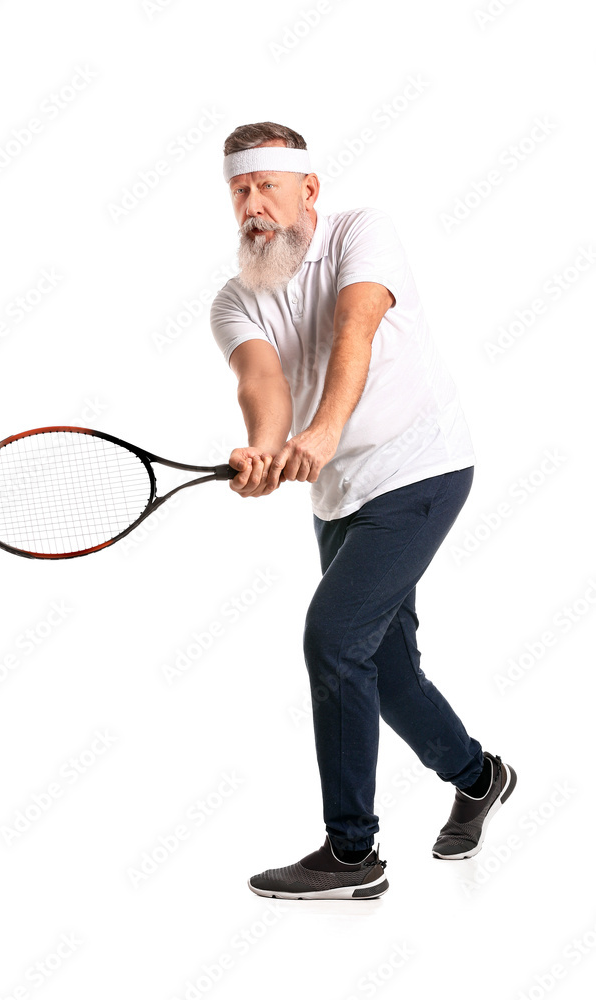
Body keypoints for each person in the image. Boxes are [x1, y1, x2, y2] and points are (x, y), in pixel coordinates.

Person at [210, 121, 516, 900]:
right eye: (238, 189)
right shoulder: (234, 300)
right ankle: (478, 777)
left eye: (265, 186)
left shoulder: (362, 233)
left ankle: (351, 856)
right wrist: (263, 446)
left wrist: (321, 430)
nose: (252, 205)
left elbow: (356, 328)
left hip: (422, 470)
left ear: (307, 190)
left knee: (332, 641)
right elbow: (262, 383)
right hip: (338, 494)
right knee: (382, 667)